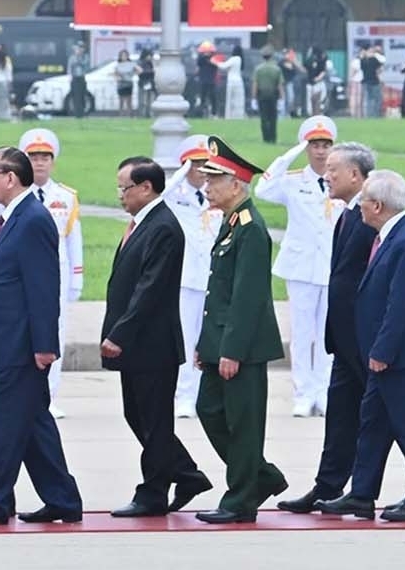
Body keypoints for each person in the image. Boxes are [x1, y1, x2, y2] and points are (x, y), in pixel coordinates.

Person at [0, 145, 82, 527]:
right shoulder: (13, 217)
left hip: (19, 347)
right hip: (3, 343)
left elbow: (43, 287)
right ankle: (62, 499)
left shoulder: (33, 220)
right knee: (34, 426)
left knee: (2, 425)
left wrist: (45, 346)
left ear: (10, 178)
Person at [316, 170, 405, 522]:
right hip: (382, 355)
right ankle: (361, 493)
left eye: (364, 203)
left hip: (401, 356)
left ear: (377, 205)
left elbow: (401, 305)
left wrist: (382, 352)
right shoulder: (390, 236)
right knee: (372, 424)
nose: (361, 210)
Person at [100, 156, 209, 517]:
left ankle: (153, 492)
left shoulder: (162, 227)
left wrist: (120, 334)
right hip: (139, 345)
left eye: (124, 188)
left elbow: (149, 290)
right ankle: (186, 474)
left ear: (146, 188)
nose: (120, 195)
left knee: (154, 420)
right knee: (140, 417)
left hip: (151, 345)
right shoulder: (142, 223)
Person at [188, 138, 288, 523]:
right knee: (209, 409)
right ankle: (260, 477)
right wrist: (205, 343)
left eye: (214, 180)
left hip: (241, 347)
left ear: (237, 184)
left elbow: (248, 298)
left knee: (243, 425)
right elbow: (219, 291)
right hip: (221, 342)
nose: (207, 186)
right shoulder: (231, 223)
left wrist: (231, 350)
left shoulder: (250, 228)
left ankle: (240, 500)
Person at [277, 142, 377, 513]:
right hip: (344, 338)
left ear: (355, 175)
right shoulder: (348, 214)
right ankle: (327, 487)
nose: (326, 174)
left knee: (388, 421)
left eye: (334, 169)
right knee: (340, 417)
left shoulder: (371, 216)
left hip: (364, 340)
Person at [255, 117, 341, 418]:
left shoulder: (340, 180)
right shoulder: (292, 180)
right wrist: (289, 154)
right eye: (315, 145)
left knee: (330, 334)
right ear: (306, 147)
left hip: (333, 266)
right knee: (303, 333)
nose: (320, 152)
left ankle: (325, 391)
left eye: (326, 145)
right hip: (301, 266)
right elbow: (262, 190)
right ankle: (303, 393)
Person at [19, 128, 85, 419]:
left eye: (45, 157)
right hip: (23, 275)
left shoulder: (65, 197)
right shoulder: (16, 194)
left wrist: (77, 278)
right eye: (33, 157)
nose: (40, 162)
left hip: (57, 275)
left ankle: (50, 395)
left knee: (55, 334)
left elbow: (73, 240)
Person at [164, 136, 222, 420]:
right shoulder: (175, 195)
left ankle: (202, 393)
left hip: (212, 276)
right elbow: (158, 197)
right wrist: (181, 173)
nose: (201, 170)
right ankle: (184, 395)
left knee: (208, 338)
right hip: (185, 277)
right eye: (195, 163)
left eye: (205, 164)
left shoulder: (216, 194)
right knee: (185, 339)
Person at [253, 49, 284, 141]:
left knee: (264, 117)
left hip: (262, 95)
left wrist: (254, 98)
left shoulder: (258, 69)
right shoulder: (276, 69)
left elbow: (255, 84)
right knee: (273, 117)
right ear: (271, 56)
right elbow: (280, 85)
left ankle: (265, 138)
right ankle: (273, 137)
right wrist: (282, 98)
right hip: (273, 95)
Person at [66, 40, 92, 118]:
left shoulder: (86, 57)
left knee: (82, 96)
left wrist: (79, 58)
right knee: (75, 97)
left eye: (82, 48)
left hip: (82, 78)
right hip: (75, 79)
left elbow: (86, 66)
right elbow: (70, 68)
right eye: (79, 47)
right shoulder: (72, 57)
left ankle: (82, 113)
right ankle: (77, 114)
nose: (80, 49)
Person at [358, 47, 383, 119]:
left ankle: (368, 115)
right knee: (376, 99)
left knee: (368, 100)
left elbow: (362, 68)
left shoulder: (363, 60)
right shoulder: (374, 59)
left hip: (366, 81)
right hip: (374, 81)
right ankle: (375, 115)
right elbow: (379, 69)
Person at [222, 45, 247, 120]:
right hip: (239, 81)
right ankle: (239, 116)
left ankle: (229, 116)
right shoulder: (240, 59)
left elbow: (223, 66)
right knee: (239, 100)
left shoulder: (234, 59)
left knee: (230, 99)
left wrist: (215, 61)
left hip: (231, 81)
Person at [114, 49, 136, 117]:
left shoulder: (131, 64)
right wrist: (117, 78)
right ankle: (121, 115)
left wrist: (132, 74)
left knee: (129, 100)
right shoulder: (118, 65)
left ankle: (129, 115)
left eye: (125, 55)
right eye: (122, 55)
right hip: (121, 84)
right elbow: (116, 74)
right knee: (121, 100)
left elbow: (138, 70)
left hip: (128, 83)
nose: (123, 57)